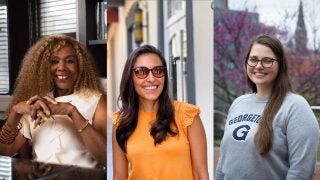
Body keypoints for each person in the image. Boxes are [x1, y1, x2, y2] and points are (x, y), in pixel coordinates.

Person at [215, 34, 320, 179]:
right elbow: (224, 160)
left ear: (280, 65)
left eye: (267, 61)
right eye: (253, 60)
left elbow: (301, 171)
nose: (258, 66)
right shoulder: (238, 103)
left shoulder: (295, 107)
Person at [0, 35, 106, 168]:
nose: (62, 67)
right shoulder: (36, 102)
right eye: (54, 61)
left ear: (80, 66)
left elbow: (105, 158)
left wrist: (72, 112)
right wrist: (15, 113)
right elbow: (4, 152)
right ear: (43, 67)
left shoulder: (96, 100)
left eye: (70, 61)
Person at [112, 45, 209, 179]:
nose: (151, 78)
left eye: (158, 70)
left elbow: (201, 174)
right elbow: (119, 177)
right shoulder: (121, 122)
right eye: (141, 71)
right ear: (130, 77)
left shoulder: (187, 115)